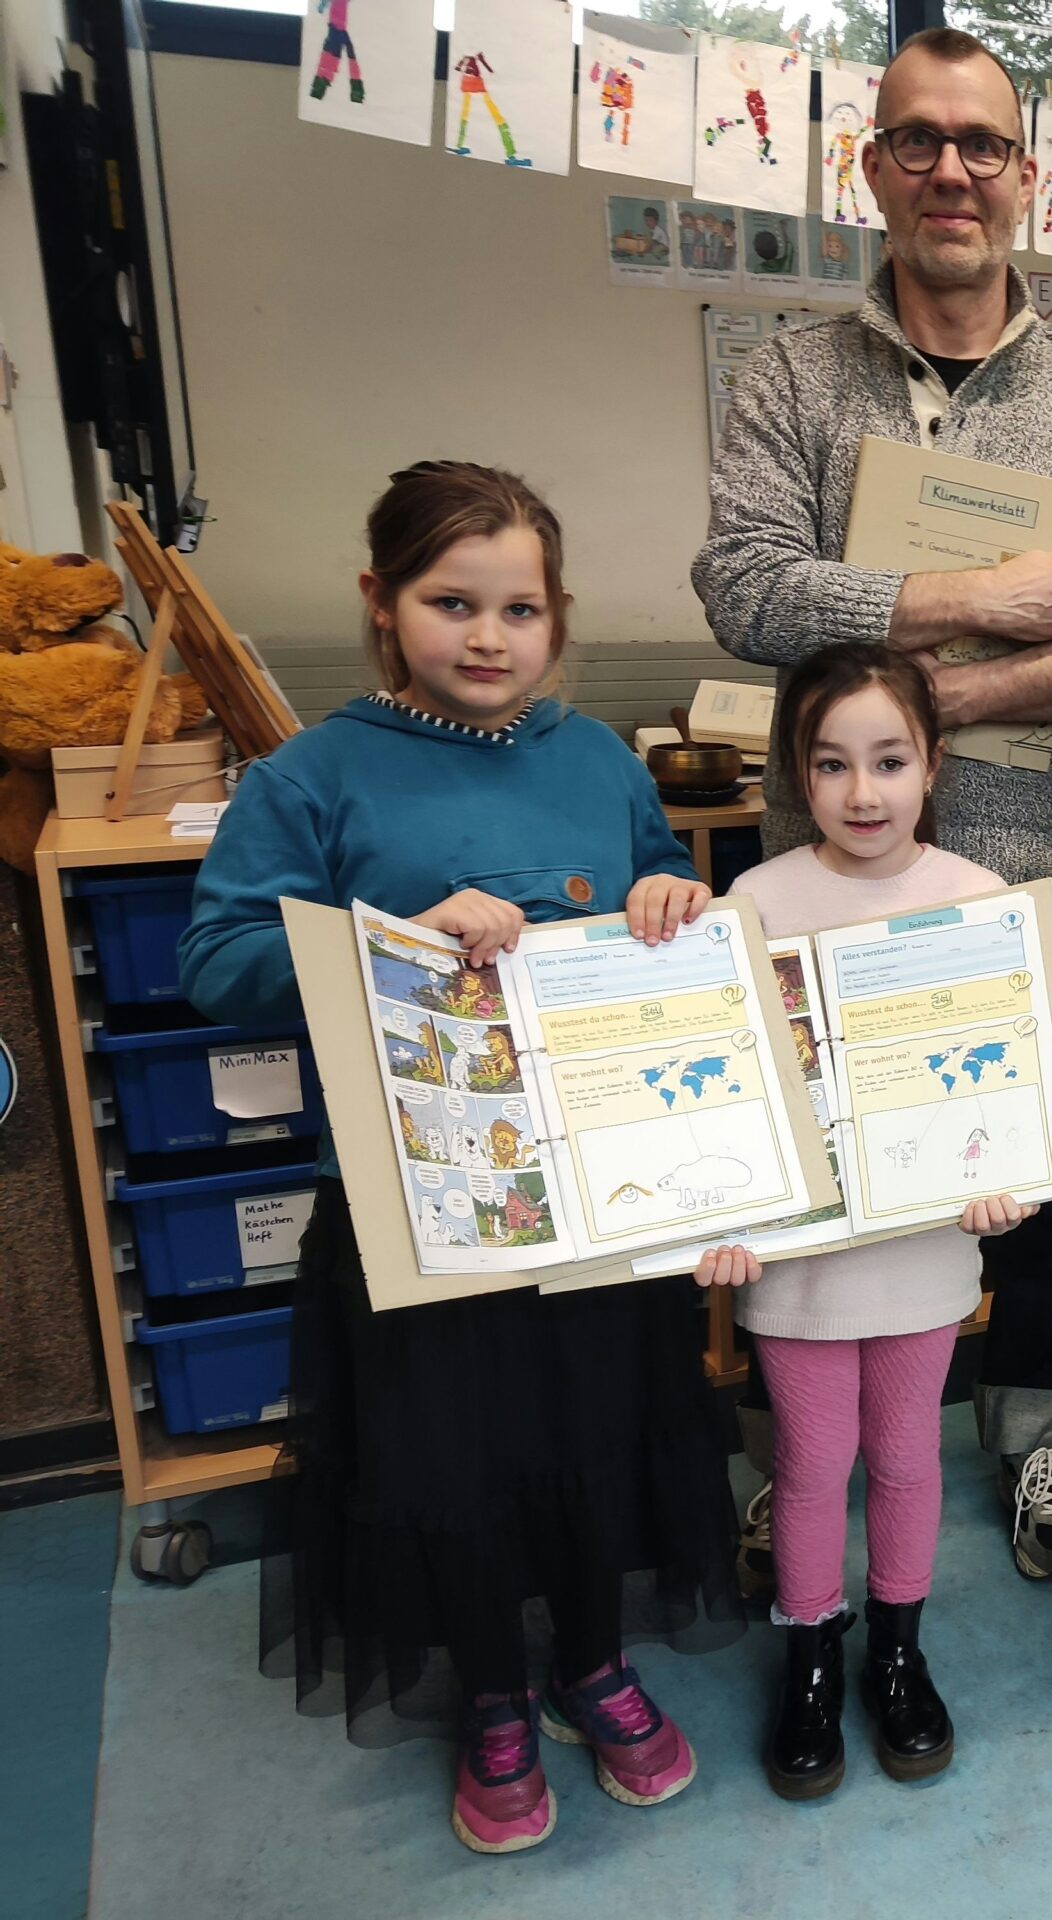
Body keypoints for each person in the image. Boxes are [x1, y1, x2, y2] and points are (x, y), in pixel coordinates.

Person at [693, 26, 1052, 1581]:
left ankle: (1039, 1440)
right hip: (829, 877)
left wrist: (947, 703)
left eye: (982, 144)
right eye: (919, 141)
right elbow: (748, 590)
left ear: (1027, 176)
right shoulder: (790, 376)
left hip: (1036, 870)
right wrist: (975, 593)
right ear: (874, 172)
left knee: (1035, 1177)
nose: (953, 171)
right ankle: (795, 1459)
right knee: (824, 1164)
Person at [177, 462, 742, 1855]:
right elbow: (219, 963)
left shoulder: (601, 759)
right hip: (415, 1201)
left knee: (599, 1426)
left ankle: (595, 1661)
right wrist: (400, 942)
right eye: (451, 602)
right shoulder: (312, 778)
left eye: (521, 609)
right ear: (381, 602)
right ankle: (492, 1687)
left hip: (593, 1188)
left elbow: (655, 877)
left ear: (558, 621)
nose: (488, 637)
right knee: (454, 1453)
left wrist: (672, 889)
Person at [691, 647, 1036, 1802]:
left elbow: (1013, 1095)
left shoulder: (978, 902)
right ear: (800, 771)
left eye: (889, 761)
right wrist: (726, 1219)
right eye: (833, 765)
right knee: (808, 1461)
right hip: (796, 1265)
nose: (863, 792)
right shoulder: (758, 901)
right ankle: (809, 1657)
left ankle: (896, 1651)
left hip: (924, 1252)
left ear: (931, 764)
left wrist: (1009, 1184)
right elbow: (726, 1092)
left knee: (902, 1457)